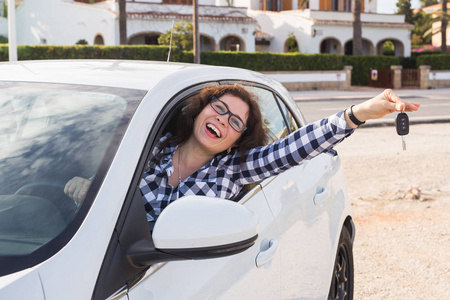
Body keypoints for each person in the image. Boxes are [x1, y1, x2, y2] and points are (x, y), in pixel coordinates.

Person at [64, 84, 420, 229]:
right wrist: (87, 185)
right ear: (201, 109)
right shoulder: (152, 147)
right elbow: (103, 169)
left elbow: (292, 148)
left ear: (237, 140)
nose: (222, 120)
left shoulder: (233, 168)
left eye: (235, 122)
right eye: (218, 108)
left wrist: (357, 113)